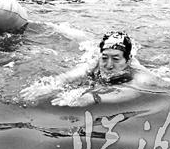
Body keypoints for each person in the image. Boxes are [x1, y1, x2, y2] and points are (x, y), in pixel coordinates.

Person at [20, 31, 160, 106]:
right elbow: (70, 76)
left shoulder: (141, 75)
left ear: (128, 60)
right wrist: (49, 86)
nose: (109, 65)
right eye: (104, 57)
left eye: (116, 59)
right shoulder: (95, 63)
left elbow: (132, 93)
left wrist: (93, 98)